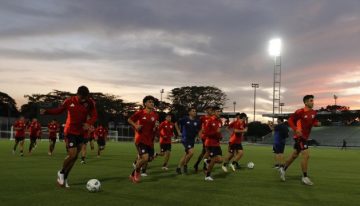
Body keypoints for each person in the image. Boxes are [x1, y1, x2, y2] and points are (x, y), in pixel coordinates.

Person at [40, 86, 97, 188]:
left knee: (75, 158)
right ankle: (61, 172)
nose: (84, 100)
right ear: (78, 94)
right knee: (72, 154)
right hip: (70, 131)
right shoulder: (68, 101)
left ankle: (65, 177)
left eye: (85, 98)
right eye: (82, 97)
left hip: (81, 132)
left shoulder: (90, 102)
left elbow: (94, 115)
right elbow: (59, 111)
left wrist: (89, 123)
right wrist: (47, 111)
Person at [279, 95, 321, 186]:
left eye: (313, 100)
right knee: (306, 154)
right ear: (305, 102)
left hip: (305, 136)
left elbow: (313, 122)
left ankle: (283, 169)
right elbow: (290, 120)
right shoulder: (300, 111)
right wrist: (296, 129)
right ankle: (305, 177)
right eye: (311, 101)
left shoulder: (314, 112)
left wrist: (317, 124)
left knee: (294, 155)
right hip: (299, 137)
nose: (313, 102)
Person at [128, 95, 159, 183]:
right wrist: (136, 126)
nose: (151, 103)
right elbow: (129, 120)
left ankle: (132, 174)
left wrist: (156, 128)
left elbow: (154, 128)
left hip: (150, 140)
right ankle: (137, 173)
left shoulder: (155, 115)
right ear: (145, 103)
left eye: (152, 102)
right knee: (145, 158)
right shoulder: (140, 113)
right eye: (149, 101)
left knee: (149, 159)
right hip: (140, 139)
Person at [175, 107, 201, 175]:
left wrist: (198, 136)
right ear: (189, 112)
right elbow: (176, 123)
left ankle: (178, 168)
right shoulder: (185, 119)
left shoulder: (197, 121)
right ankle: (185, 165)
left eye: (195, 111)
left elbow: (199, 130)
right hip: (185, 139)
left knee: (187, 154)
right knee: (191, 153)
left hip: (192, 139)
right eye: (193, 111)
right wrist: (178, 131)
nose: (194, 112)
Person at [203, 106, 225, 181]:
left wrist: (220, 136)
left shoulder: (220, 121)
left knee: (220, 160)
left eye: (220, 111)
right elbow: (206, 133)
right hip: (210, 143)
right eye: (217, 111)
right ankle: (207, 176)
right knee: (214, 159)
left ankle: (207, 161)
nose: (219, 113)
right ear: (213, 112)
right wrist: (216, 132)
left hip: (216, 143)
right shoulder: (209, 120)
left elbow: (219, 132)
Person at [193, 106, 213, 172]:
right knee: (207, 152)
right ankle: (204, 167)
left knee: (204, 152)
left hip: (210, 137)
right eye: (210, 110)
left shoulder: (212, 118)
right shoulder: (202, 118)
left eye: (212, 110)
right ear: (206, 110)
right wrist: (199, 136)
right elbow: (198, 128)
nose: (211, 111)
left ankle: (196, 165)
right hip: (205, 137)